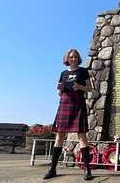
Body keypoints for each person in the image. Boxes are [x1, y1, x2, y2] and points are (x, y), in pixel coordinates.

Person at [43, 49, 93, 181]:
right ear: (67, 59)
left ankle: (87, 170)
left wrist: (80, 87)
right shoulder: (63, 73)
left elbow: (90, 88)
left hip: (78, 104)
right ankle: (52, 169)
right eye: (71, 57)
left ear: (78, 58)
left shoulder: (83, 71)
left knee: (82, 137)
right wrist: (59, 89)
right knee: (59, 137)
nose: (73, 59)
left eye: (76, 57)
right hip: (64, 103)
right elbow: (60, 93)